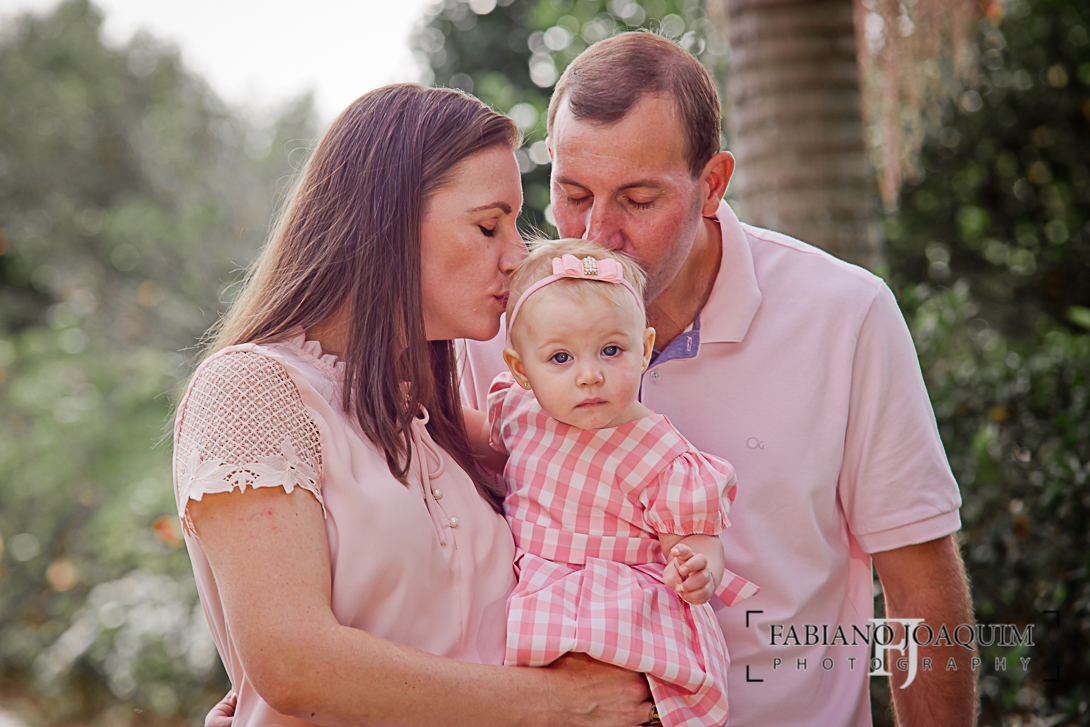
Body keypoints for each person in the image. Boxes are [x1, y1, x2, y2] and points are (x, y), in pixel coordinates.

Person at [460, 32, 977, 726]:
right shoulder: (500, 321)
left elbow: (919, 584)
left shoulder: (844, 315)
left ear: (711, 184)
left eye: (639, 199)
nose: (598, 233)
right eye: (573, 194)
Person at [173, 83, 655, 727]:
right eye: (488, 225)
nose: (517, 255)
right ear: (389, 224)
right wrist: (559, 704)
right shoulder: (252, 391)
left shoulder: (433, 419)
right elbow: (294, 665)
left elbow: (622, 468)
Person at [480, 239, 759, 727]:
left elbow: (695, 542)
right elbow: (469, 439)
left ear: (644, 348)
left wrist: (700, 571)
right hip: (536, 606)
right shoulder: (520, 412)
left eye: (611, 351)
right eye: (561, 358)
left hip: (626, 616)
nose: (589, 375)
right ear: (521, 370)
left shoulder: (663, 456)